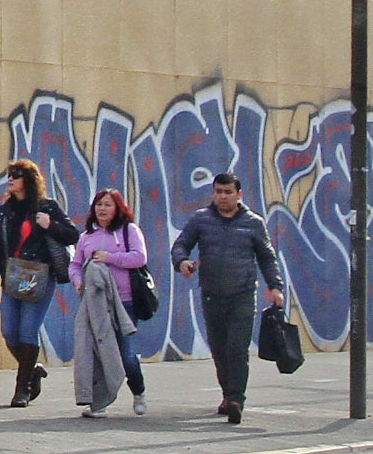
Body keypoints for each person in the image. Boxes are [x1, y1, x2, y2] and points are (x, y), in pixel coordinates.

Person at [170, 171, 286, 424]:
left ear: (238, 194)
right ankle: (227, 395)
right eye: (218, 192)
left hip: (242, 294)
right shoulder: (201, 219)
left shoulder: (253, 223)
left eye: (228, 192)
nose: (222, 197)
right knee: (220, 349)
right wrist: (182, 262)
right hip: (212, 295)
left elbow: (267, 257)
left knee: (237, 348)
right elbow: (180, 245)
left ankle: (236, 399)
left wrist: (275, 286)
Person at [0, 157, 77, 408]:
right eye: (9, 175)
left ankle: (22, 388)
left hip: (39, 276)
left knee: (27, 330)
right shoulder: (5, 211)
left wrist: (50, 225)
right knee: (9, 331)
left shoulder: (47, 207)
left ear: (29, 180)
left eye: (16, 175)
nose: (10, 179)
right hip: (13, 276)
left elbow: (72, 235)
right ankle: (32, 370)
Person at [71, 188, 150, 417]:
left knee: (126, 356)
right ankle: (99, 404)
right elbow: (75, 264)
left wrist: (110, 258)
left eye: (107, 205)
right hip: (96, 305)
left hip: (125, 304)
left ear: (117, 208)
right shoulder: (87, 237)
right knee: (97, 354)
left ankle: (138, 391)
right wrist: (77, 280)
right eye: (99, 205)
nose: (102, 209)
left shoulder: (128, 231)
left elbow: (139, 257)